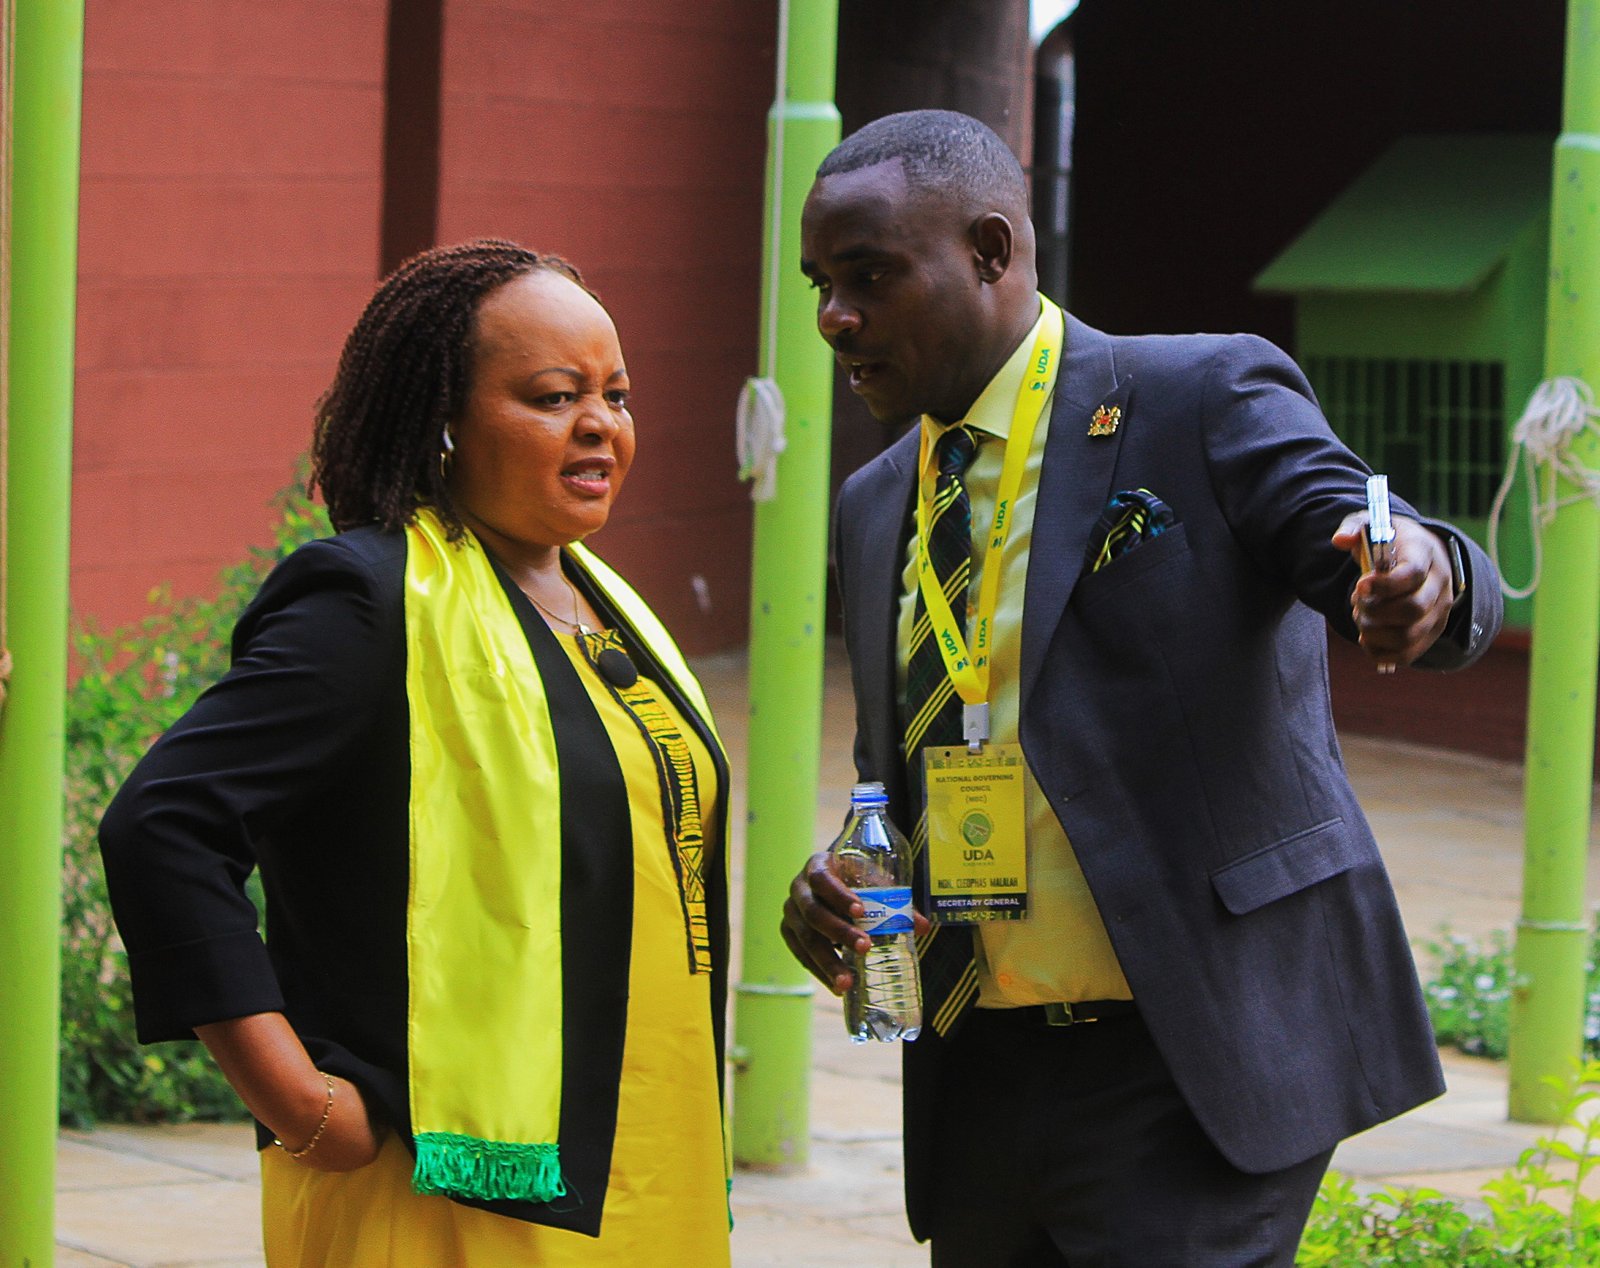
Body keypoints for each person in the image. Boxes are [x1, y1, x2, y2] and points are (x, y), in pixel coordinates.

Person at [780, 111, 1502, 1265]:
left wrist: (1421, 572)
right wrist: (845, 874)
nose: (833, 317)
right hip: (979, 1080)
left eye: (867, 276)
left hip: (1188, 1054)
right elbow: (911, 760)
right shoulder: (875, 504)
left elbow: (1376, 534)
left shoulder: (1195, 396)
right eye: (820, 282)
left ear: (990, 248)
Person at [99, 240, 732, 1266]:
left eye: (615, 393)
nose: (600, 425)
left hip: (645, 1170)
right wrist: (294, 1096)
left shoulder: (612, 610)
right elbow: (162, 823)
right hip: (441, 1193)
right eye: (553, 395)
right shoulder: (370, 602)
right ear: (443, 421)